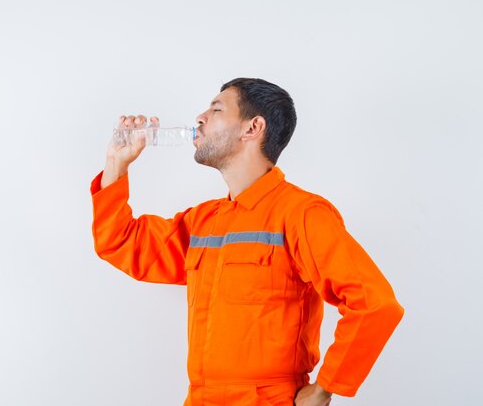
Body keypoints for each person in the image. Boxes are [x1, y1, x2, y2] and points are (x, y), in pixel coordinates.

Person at [90, 78, 404, 406]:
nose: (200, 117)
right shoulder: (203, 222)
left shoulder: (301, 214)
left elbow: (375, 304)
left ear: (253, 127)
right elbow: (120, 241)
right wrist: (116, 163)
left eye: (216, 109)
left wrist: (324, 389)